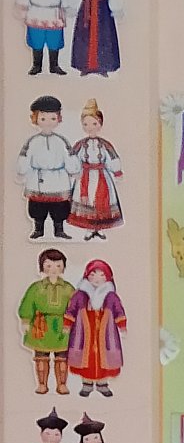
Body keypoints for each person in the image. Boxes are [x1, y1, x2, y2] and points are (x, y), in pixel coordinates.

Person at [17, 94, 79, 240]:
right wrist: (22, 170)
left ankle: (59, 229)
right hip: (37, 179)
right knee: (37, 207)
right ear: (36, 119)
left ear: (58, 118)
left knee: (60, 207)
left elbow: (69, 157)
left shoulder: (61, 141)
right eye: (43, 119)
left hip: (58, 179)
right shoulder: (32, 141)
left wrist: (74, 169)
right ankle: (38, 229)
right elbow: (25, 158)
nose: (48, 122)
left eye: (52, 118)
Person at [17, 248, 74, 396]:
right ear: (42, 266)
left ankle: (62, 384)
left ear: (63, 267)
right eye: (49, 265)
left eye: (58, 265)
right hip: (41, 325)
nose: (53, 269)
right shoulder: (36, 288)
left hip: (61, 326)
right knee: (41, 356)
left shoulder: (68, 288)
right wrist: (25, 320)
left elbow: (74, 307)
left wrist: (70, 323)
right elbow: (28, 303)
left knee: (62, 357)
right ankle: (42, 384)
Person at [65, 259, 126, 394]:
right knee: (85, 357)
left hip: (106, 332)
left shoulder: (111, 296)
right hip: (84, 331)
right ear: (87, 276)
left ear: (108, 277)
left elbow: (119, 310)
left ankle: (102, 384)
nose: (97, 279)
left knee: (105, 357)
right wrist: (67, 324)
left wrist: (122, 325)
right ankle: (86, 383)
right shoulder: (80, 295)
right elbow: (71, 309)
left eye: (101, 275)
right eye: (93, 275)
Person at [69, 100, 122, 239]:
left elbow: (112, 158)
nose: (90, 128)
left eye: (94, 124)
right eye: (86, 124)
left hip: (102, 176)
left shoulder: (105, 145)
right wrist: (74, 170)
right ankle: (89, 228)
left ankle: (100, 227)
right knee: (87, 201)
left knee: (101, 200)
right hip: (85, 176)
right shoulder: (80, 144)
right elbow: (73, 158)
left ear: (100, 124)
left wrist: (116, 171)